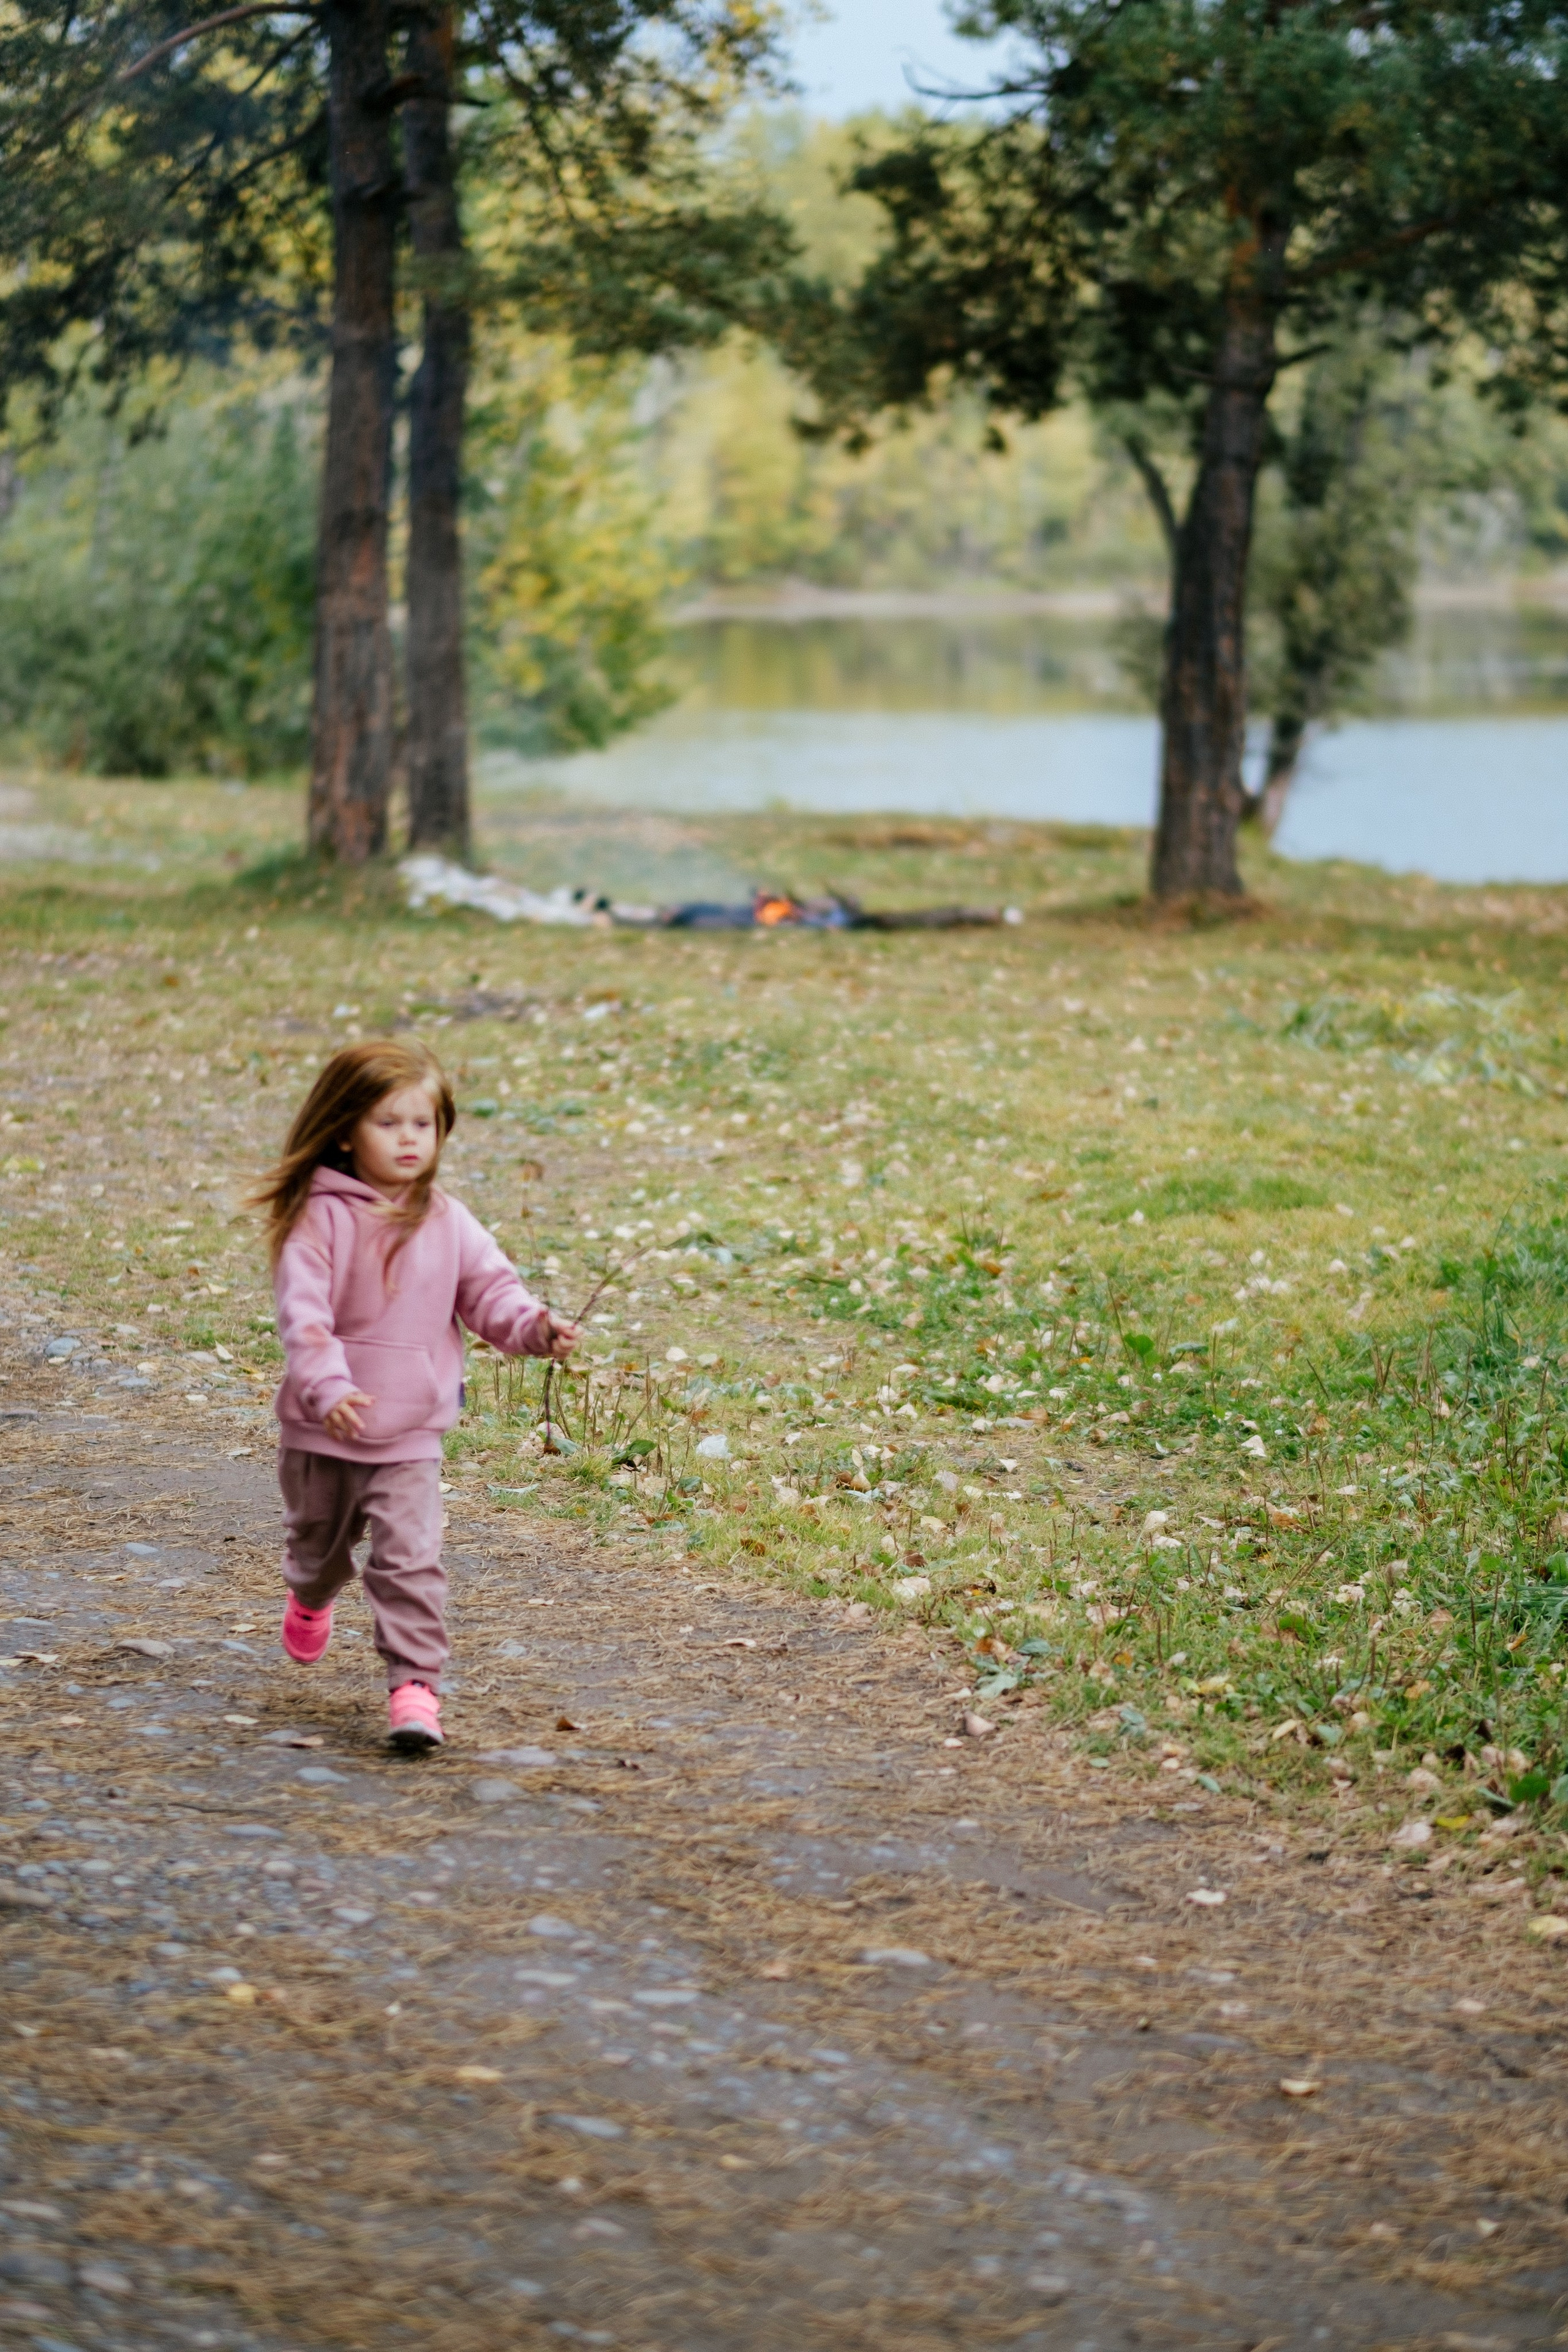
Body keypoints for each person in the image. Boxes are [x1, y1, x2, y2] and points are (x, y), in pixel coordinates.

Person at [249, 1039, 577, 1752]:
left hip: (409, 1434)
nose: (408, 1139)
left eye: (422, 1125)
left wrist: (534, 1328)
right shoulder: (319, 1217)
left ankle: (415, 1688)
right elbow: (303, 1318)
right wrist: (328, 1385)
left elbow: (492, 1294)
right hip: (324, 1427)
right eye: (387, 1123)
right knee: (318, 1549)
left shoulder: (448, 1221)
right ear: (344, 1130)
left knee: (408, 1560)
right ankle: (309, 1594)